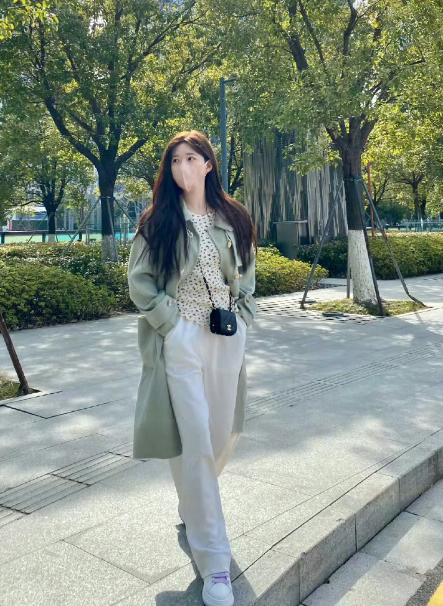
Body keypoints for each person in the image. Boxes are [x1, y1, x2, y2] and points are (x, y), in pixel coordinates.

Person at [127, 130, 257, 606]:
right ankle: (214, 562)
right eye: (175, 160)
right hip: (180, 340)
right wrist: (171, 326)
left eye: (191, 158)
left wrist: (243, 314)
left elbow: (248, 269)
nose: (183, 167)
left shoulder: (234, 217)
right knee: (197, 442)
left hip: (226, 337)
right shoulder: (158, 222)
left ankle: (192, 501)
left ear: (207, 164)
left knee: (221, 435)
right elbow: (139, 281)